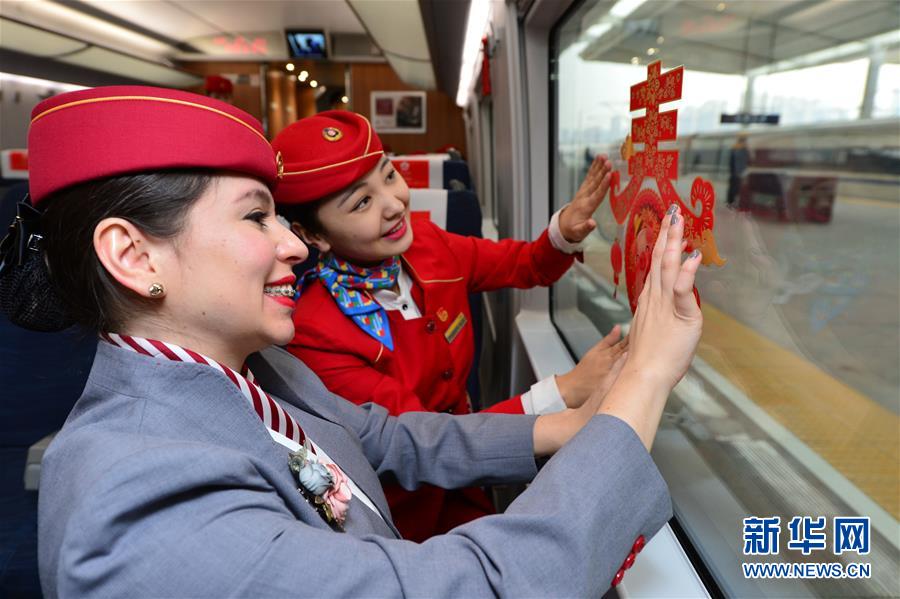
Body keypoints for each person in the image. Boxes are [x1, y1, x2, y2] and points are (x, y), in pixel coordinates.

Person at [3, 86, 703, 597]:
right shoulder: (138, 508)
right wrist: (644, 377)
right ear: (134, 257)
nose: (294, 249)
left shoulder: (257, 371)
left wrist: (576, 422)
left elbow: (392, 440)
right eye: (257, 219)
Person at [272, 111, 628, 540]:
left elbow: (525, 264)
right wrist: (562, 391)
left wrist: (564, 231)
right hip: (405, 513)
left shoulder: (429, 244)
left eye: (389, 176)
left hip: (472, 482)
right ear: (312, 236)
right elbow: (419, 439)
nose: (393, 203)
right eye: (362, 203)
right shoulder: (313, 331)